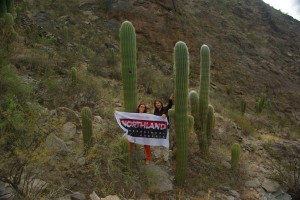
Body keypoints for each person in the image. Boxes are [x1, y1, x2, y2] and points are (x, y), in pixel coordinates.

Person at [153, 93, 174, 163]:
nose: (157, 104)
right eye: (156, 103)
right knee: (156, 143)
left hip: (165, 129)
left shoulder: (165, 109)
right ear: (155, 105)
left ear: (161, 104)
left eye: (158, 103)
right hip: (157, 130)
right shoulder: (155, 112)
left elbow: (169, 105)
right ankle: (157, 155)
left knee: (165, 143)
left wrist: (170, 99)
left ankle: (166, 158)